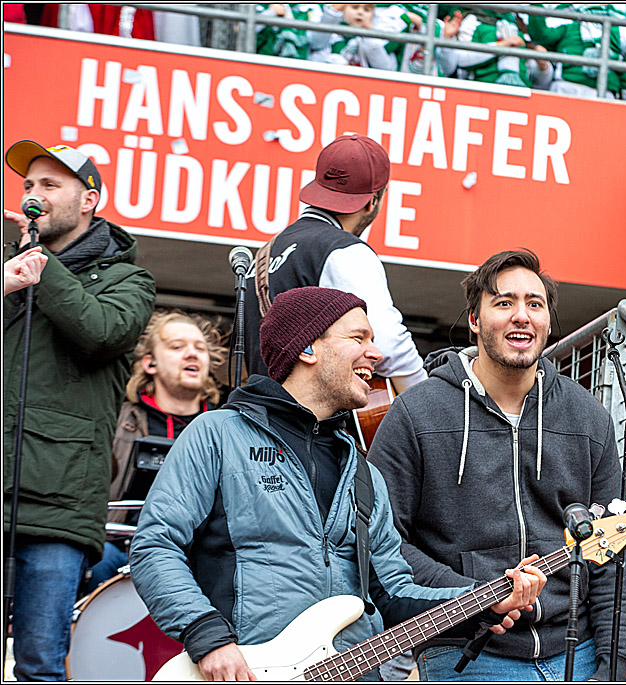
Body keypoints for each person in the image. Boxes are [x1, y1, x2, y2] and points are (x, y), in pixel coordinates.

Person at [130, 286, 546, 681]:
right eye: (359, 337)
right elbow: (155, 545)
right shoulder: (218, 434)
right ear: (307, 347)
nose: (376, 353)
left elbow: (392, 593)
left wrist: (482, 602)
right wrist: (208, 638)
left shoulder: (364, 473)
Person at [368, 250, 626, 681]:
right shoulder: (416, 414)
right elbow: (382, 542)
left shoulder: (587, 418)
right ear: (474, 319)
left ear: (548, 322)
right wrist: (475, 597)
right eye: (504, 302)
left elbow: (613, 557)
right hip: (468, 650)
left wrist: (614, 669)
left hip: (579, 651)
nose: (521, 316)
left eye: (534, 304)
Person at [3, 140, 156, 680]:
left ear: (89, 199)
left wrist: (42, 270)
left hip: (58, 502)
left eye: (50, 185)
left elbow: (101, 332)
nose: (33, 197)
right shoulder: (9, 268)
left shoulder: (128, 280)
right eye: (28, 186)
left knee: (40, 663)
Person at [243, 134, 427, 394]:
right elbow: (389, 345)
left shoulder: (264, 255)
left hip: (262, 413)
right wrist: (425, 403)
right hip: (309, 424)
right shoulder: (344, 251)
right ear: (374, 200)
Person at [86, 311, 227, 593]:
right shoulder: (118, 419)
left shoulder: (225, 423)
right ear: (150, 363)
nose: (192, 354)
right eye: (177, 347)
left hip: (199, 550)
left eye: (200, 348)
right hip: (121, 545)